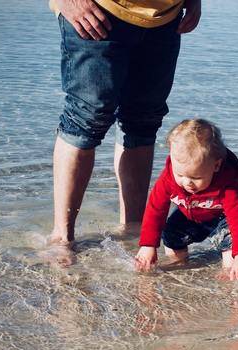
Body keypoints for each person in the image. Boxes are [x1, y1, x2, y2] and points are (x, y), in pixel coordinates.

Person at [46, 0, 202, 267]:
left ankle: (134, 230)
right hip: (98, 11)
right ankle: (62, 237)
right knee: (87, 118)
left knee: (143, 120)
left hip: (165, 18)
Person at [134, 119, 238, 282]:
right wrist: (148, 245)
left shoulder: (229, 186)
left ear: (216, 165)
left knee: (231, 254)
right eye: (180, 175)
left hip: (224, 217)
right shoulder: (168, 179)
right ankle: (181, 263)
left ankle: (232, 274)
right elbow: (156, 209)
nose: (187, 182)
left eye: (196, 177)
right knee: (170, 235)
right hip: (191, 212)